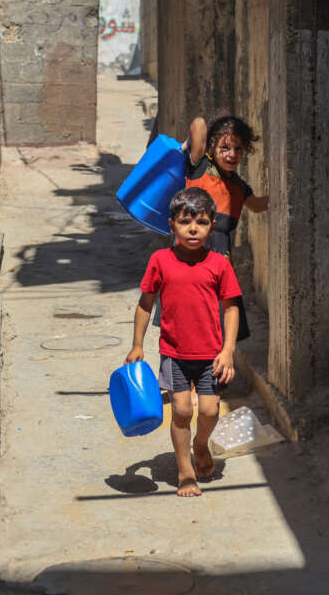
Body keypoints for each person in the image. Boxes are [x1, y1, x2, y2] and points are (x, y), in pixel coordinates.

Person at [125, 186, 241, 497]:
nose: (193, 228)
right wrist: (137, 344)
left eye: (201, 222)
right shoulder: (160, 260)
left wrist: (228, 350)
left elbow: (231, 308)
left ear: (211, 226)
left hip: (211, 354)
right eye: (185, 221)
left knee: (208, 410)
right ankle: (185, 469)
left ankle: (200, 444)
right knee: (180, 410)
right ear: (172, 224)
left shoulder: (220, 264)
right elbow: (145, 303)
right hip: (174, 352)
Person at [152, 113, 268, 339]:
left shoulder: (240, 187)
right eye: (225, 147)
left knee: (214, 328)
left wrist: (285, 194)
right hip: (188, 259)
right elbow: (198, 125)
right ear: (211, 146)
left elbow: (256, 206)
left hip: (220, 264)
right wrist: (191, 144)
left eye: (238, 149)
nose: (232, 154)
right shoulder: (200, 167)